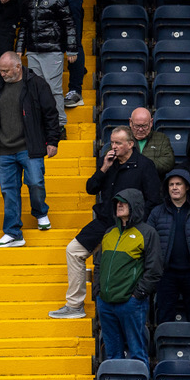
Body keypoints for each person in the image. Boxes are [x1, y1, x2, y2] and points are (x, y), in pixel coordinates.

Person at [51, 128, 161, 318]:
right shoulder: (108, 162)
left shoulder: (145, 165)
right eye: (112, 142)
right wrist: (104, 168)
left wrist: (136, 223)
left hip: (128, 226)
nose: (114, 147)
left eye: (118, 143)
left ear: (130, 144)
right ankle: (75, 305)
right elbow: (90, 188)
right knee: (73, 250)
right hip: (104, 221)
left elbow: (153, 200)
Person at [0, 52, 61, 247]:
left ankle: (40, 212)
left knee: (35, 182)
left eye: (6, 70)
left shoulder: (36, 84)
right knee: (9, 192)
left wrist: (53, 141)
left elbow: (51, 113)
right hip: (4, 150)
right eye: (0, 70)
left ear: (18, 67)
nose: (2, 74)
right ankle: (13, 233)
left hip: (30, 146)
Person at [94, 190, 163, 363]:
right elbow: (98, 265)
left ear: (135, 206)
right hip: (106, 303)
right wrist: (98, 292)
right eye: (117, 202)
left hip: (131, 303)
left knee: (137, 352)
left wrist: (137, 296)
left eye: (124, 202)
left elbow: (154, 270)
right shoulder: (109, 232)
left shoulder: (147, 232)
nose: (119, 205)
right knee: (111, 354)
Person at [17, 0, 77, 126]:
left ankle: (60, 124)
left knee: (53, 88)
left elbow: (69, 24)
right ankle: (41, 124)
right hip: (33, 51)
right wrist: (19, 48)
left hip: (53, 50)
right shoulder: (28, 0)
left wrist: (71, 49)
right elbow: (24, 26)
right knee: (35, 89)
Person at [147, 170, 190, 324]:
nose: (174, 188)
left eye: (178, 184)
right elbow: (148, 241)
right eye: (171, 184)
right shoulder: (157, 212)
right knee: (164, 316)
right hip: (166, 274)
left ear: (187, 187)